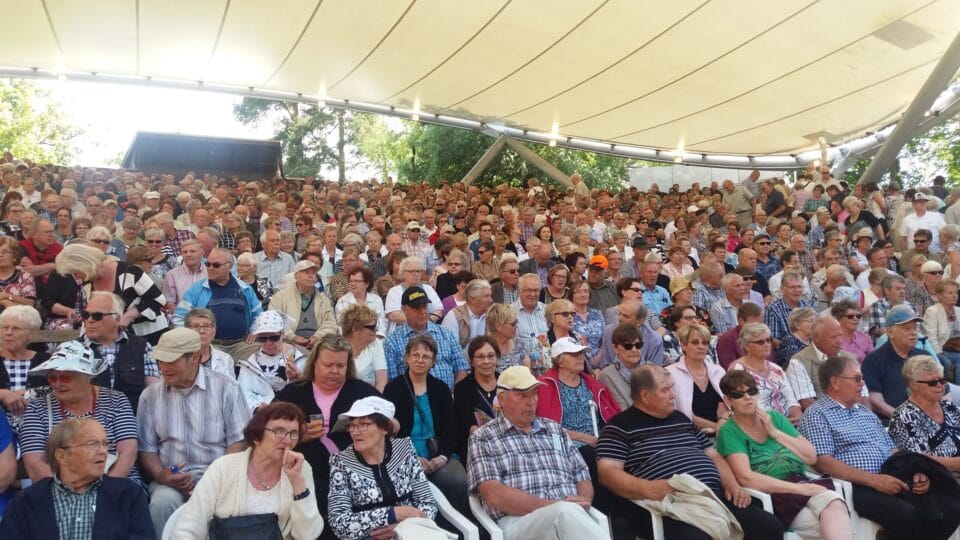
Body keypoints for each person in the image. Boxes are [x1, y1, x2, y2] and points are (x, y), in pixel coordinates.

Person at [596, 364, 783, 540]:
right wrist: (647, 488)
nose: (673, 395)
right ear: (645, 395)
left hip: (713, 497)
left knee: (769, 526)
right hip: (669, 507)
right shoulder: (619, 426)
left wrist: (731, 483)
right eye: (666, 390)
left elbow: (713, 455)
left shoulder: (681, 418)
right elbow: (607, 473)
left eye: (672, 388)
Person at [800, 355, 960, 540]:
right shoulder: (817, 415)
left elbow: (893, 451)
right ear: (835, 382)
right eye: (857, 378)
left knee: (950, 507)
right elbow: (823, 462)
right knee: (904, 513)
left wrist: (915, 471)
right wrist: (873, 480)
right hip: (855, 484)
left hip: (891, 476)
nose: (862, 383)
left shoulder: (865, 412)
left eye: (862, 378)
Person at [467, 365, 608, 540]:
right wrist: (554, 506)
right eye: (522, 395)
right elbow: (493, 495)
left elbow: (581, 474)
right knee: (563, 513)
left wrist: (582, 501)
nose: (531, 401)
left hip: (570, 516)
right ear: (501, 399)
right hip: (518, 521)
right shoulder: (484, 437)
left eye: (534, 394)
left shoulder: (554, 429)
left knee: (566, 514)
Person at [137, 327, 251, 539]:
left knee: (227, 506)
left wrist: (214, 478)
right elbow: (147, 448)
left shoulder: (226, 388)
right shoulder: (150, 395)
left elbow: (240, 442)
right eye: (160, 361)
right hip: (171, 478)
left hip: (218, 476)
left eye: (172, 361)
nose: (164, 367)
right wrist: (162, 475)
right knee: (161, 503)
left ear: (195, 357)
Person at [715, 370, 851, 540]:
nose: (747, 397)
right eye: (738, 394)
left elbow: (810, 457)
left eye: (751, 391)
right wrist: (798, 489)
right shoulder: (729, 431)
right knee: (829, 526)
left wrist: (775, 433)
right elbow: (746, 477)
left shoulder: (774, 418)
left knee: (835, 505)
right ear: (728, 400)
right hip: (773, 494)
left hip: (801, 482)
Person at [273, 335, 379, 536]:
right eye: (328, 365)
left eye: (340, 366)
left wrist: (367, 428)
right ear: (314, 363)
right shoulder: (294, 392)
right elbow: (268, 431)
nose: (335, 371)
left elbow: (392, 424)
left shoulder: (361, 391)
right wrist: (298, 435)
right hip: (307, 473)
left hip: (356, 470)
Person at [173, 402, 324, 539]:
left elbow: (309, 535)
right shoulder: (223, 468)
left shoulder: (300, 469)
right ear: (257, 436)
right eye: (279, 431)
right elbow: (188, 527)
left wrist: (297, 483)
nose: (287, 440)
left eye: (293, 433)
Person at [0, 418, 154, 539]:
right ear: (62, 456)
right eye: (92, 444)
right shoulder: (26, 501)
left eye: (104, 444)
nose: (103, 452)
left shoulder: (128, 494)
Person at [20, 341, 141, 483]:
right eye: (52, 378)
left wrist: (107, 489)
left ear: (87, 377)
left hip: (117, 480)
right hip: (57, 486)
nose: (57, 384)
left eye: (65, 377)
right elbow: (35, 463)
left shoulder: (116, 400)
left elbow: (128, 452)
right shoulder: (37, 407)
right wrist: (67, 491)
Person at [328, 396, 444, 540]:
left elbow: (427, 502)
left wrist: (403, 528)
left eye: (363, 424)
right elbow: (338, 523)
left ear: (385, 428)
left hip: (412, 533)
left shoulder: (404, 449)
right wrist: (392, 514)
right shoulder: (341, 462)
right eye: (352, 425)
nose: (355, 432)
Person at [383, 335, 469, 516]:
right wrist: (412, 458)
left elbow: (450, 426)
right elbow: (388, 432)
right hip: (404, 453)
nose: (420, 360)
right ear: (407, 358)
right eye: (415, 355)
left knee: (458, 481)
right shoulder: (393, 388)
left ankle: (453, 524)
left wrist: (442, 457)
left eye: (426, 356)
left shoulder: (441, 388)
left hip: (438, 450)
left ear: (433, 361)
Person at [173, 248, 263, 362]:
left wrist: (254, 331)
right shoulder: (197, 289)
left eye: (216, 265)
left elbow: (259, 315)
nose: (210, 268)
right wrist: (191, 339)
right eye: (208, 264)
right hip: (210, 345)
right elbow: (179, 317)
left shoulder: (244, 288)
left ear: (230, 266)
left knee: (263, 354)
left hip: (241, 345)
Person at [80, 291, 160, 412]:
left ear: (117, 319)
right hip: (86, 421)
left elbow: (154, 394)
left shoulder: (142, 347)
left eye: (97, 316)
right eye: (86, 315)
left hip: (132, 419)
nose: (89, 320)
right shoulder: (71, 349)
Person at [384, 286, 469, 391]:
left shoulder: (446, 334)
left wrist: (455, 394)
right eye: (416, 308)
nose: (423, 311)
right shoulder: (392, 341)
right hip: (411, 398)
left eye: (425, 306)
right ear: (404, 310)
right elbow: (393, 379)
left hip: (449, 395)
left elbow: (461, 369)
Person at [889, 355, 960, 475]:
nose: (939, 385)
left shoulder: (949, 407)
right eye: (932, 382)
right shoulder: (906, 415)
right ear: (913, 385)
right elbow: (921, 460)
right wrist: (956, 463)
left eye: (942, 380)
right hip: (938, 477)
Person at [863, 304, 927, 420]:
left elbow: (943, 391)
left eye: (915, 328)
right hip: (892, 420)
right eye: (907, 329)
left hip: (927, 417)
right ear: (890, 332)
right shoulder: (874, 360)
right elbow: (876, 401)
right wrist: (903, 418)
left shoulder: (924, 357)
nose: (914, 333)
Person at [730, 322, 802, 424]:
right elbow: (744, 406)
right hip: (759, 425)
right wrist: (778, 424)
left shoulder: (776, 369)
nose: (766, 344)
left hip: (789, 423)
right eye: (760, 342)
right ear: (746, 346)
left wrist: (797, 419)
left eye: (768, 340)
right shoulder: (738, 370)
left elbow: (791, 399)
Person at [238, 311, 308, 413]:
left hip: (292, 413)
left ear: (283, 334)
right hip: (263, 415)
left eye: (274, 338)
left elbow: (311, 393)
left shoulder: (300, 358)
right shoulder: (250, 362)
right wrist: (257, 408)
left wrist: (297, 381)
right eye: (262, 339)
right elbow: (243, 392)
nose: (268, 343)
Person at [666, 324, 728, 433]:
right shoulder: (670, 373)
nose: (701, 346)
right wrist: (717, 428)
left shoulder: (718, 371)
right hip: (689, 433)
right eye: (695, 342)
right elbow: (681, 413)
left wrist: (722, 422)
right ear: (683, 345)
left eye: (705, 343)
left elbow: (726, 405)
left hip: (724, 430)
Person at [268, 260, 338, 350]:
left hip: (318, 343)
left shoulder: (323, 300)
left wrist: (317, 337)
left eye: (314, 273)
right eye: (306, 272)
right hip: (288, 342)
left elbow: (331, 324)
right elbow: (273, 322)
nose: (311, 276)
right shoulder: (280, 297)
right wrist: (292, 337)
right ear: (296, 277)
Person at [453, 335, 500, 460]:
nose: (486, 361)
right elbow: (469, 425)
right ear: (472, 360)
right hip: (476, 446)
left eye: (491, 356)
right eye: (480, 357)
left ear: (497, 358)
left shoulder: (506, 383)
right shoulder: (462, 388)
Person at [0, 305, 48, 419]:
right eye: (5, 327)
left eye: (16, 328)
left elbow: (58, 390)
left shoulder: (47, 361)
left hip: (39, 423)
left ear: (32, 333)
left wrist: (29, 393)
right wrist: (2, 393)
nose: (8, 333)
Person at [341, 303, 388, 391]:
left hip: (371, 396)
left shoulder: (376, 344)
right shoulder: (338, 347)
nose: (376, 330)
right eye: (372, 327)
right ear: (355, 330)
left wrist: (376, 399)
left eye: (376, 325)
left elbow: (381, 381)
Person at [335, 265, 387, 337]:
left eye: (356, 281)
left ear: (366, 284)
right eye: (351, 281)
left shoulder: (377, 299)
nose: (352, 284)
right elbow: (340, 326)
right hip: (351, 339)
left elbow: (381, 323)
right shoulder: (342, 301)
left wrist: (378, 338)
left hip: (374, 338)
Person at [441, 278, 493, 348]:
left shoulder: (491, 315)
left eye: (490, 296)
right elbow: (450, 348)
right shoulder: (454, 316)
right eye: (486, 296)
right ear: (472, 299)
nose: (491, 300)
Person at [183, 307, 234, 377]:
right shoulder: (178, 359)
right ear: (186, 331)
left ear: (214, 332)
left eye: (207, 326)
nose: (202, 331)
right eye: (195, 326)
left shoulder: (226, 359)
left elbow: (231, 384)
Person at [486, 302, 537, 371]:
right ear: (498, 326)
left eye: (516, 322)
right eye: (513, 324)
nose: (516, 326)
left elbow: (528, 372)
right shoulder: (483, 348)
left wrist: (535, 365)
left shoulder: (518, 343)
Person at [161, 239, 206, 313]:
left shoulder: (209, 273)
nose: (188, 254)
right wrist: (179, 317)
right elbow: (169, 301)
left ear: (202, 253)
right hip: (181, 317)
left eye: (192, 251)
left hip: (207, 317)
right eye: (185, 252)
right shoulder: (172, 275)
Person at [922, 279, 960, 353]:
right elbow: (931, 339)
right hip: (943, 352)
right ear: (939, 296)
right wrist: (940, 356)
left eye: (956, 293)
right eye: (950, 293)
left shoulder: (959, 310)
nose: (954, 295)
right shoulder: (932, 312)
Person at [0, 237, 36, 312]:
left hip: (17, 316)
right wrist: (5, 302)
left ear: (14, 256)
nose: (0, 255)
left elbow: (31, 303)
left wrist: (7, 296)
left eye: (5, 252)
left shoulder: (25, 276)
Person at [831, 300, 872, 364]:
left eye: (858, 316)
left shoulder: (866, 338)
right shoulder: (832, 338)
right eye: (850, 316)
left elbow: (873, 361)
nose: (855, 319)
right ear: (839, 319)